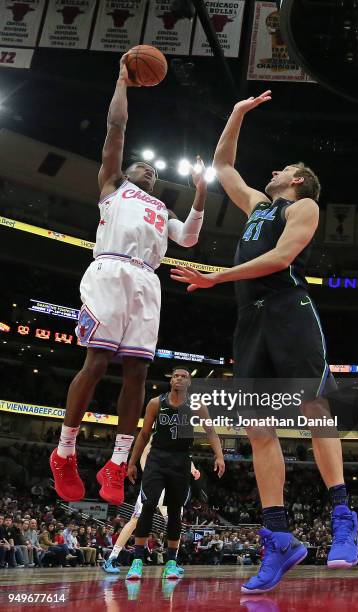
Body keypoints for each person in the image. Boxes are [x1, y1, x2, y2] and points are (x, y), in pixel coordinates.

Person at [171, 91, 358, 593]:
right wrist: (235, 113)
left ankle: (343, 516)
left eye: (284, 168)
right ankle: (279, 538)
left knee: (315, 407)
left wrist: (217, 276)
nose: (273, 171)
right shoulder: (257, 204)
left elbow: (279, 261)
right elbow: (223, 166)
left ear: (296, 180)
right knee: (257, 429)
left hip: (287, 310)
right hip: (249, 319)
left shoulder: (304, 208)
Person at [49, 53, 208, 506]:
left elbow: (191, 239)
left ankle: (118, 462)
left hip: (147, 282)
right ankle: (64, 451)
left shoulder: (163, 210)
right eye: (146, 168)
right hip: (110, 270)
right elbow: (116, 130)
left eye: (155, 173)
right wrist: (122, 80)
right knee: (96, 363)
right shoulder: (114, 184)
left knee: (137, 372)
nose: (151, 173)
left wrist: (199, 191)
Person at [125, 367, 225, 581]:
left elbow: (210, 432)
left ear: (189, 383)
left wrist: (219, 456)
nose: (179, 378)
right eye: (176, 376)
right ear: (171, 381)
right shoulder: (155, 403)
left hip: (181, 460)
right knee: (148, 506)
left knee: (174, 511)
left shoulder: (197, 405)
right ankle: (137, 561)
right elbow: (143, 435)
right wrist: (132, 462)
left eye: (184, 376)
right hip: (157, 459)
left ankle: (171, 561)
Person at [103, 437, 200, 574]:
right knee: (136, 520)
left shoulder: (179, 435)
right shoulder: (156, 435)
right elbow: (144, 455)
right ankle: (112, 558)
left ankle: (172, 561)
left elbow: (184, 456)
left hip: (171, 484)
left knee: (174, 521)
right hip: (155, 483)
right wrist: (149, 475)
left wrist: (193, 469)